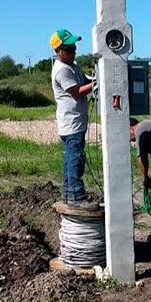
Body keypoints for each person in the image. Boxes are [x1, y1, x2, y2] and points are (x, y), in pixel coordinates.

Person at [50, 29, 98, 210]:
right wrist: (97, 84)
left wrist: (96, 77)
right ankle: (76, 197)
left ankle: (69, 193)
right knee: (75, 159)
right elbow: (77, 92)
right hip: (71, 124)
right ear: (58, 51)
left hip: (77, 122)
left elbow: (84, 80)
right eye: (68, 49)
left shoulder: (72, 66)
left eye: (74, 47)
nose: (73, 51)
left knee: (72, 158)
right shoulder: (61, 70)